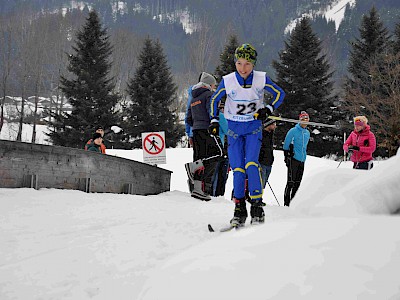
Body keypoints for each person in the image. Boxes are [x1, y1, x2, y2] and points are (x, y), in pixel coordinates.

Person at [209, 43, 285, 226]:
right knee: (238, 170)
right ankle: (239, 208)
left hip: (252, 129)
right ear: (235, 62)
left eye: (248, 64)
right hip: (234, 131)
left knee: (251, 165)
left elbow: (279, 93)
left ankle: (257, 207)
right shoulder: (228, 80)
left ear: (253, 65)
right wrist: (214, 120)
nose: (243, 68)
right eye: (240, 63)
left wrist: (268, 108)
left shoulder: (260, 79)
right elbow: (215, 99)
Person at [185, 72, 224, 201]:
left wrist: (196, 123)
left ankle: (197, 189)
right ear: (209, 85)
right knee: (218, 153)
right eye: (213, 85)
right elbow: (211, 111)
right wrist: (216, 116)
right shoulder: (209, 95)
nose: (214, 88)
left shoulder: (194, 98)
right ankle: (193, 167)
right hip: (207, 129)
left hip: (196, 130)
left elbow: (189, 118)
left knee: (200, 157)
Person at [283, 111, 310, 207]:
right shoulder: (293, 131)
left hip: (302, 160)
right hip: (293, 159)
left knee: (297, 183)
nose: (305, 121)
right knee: (290, 182)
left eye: (306, 119)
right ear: (299, 120)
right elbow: (286, 144)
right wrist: (286, 156)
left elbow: (304, 147)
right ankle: (286, 204)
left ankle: (293, 203)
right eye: (303, 119)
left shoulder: (307, 133)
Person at [211, 100, 229, 197]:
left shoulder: (208, 114)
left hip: (208, 146)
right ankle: (215, 195)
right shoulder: (220, 116)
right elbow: (227, 130)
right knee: (218, 174)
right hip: (219, 147)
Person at [259, 119, 277, 189]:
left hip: (269, 163)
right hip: (262, 162)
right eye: (273, 124)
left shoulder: (271, 134)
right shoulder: (261, 135)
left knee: (263, 185)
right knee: (260, 183)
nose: (275, 126)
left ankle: (259, 198)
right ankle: (255, 199)